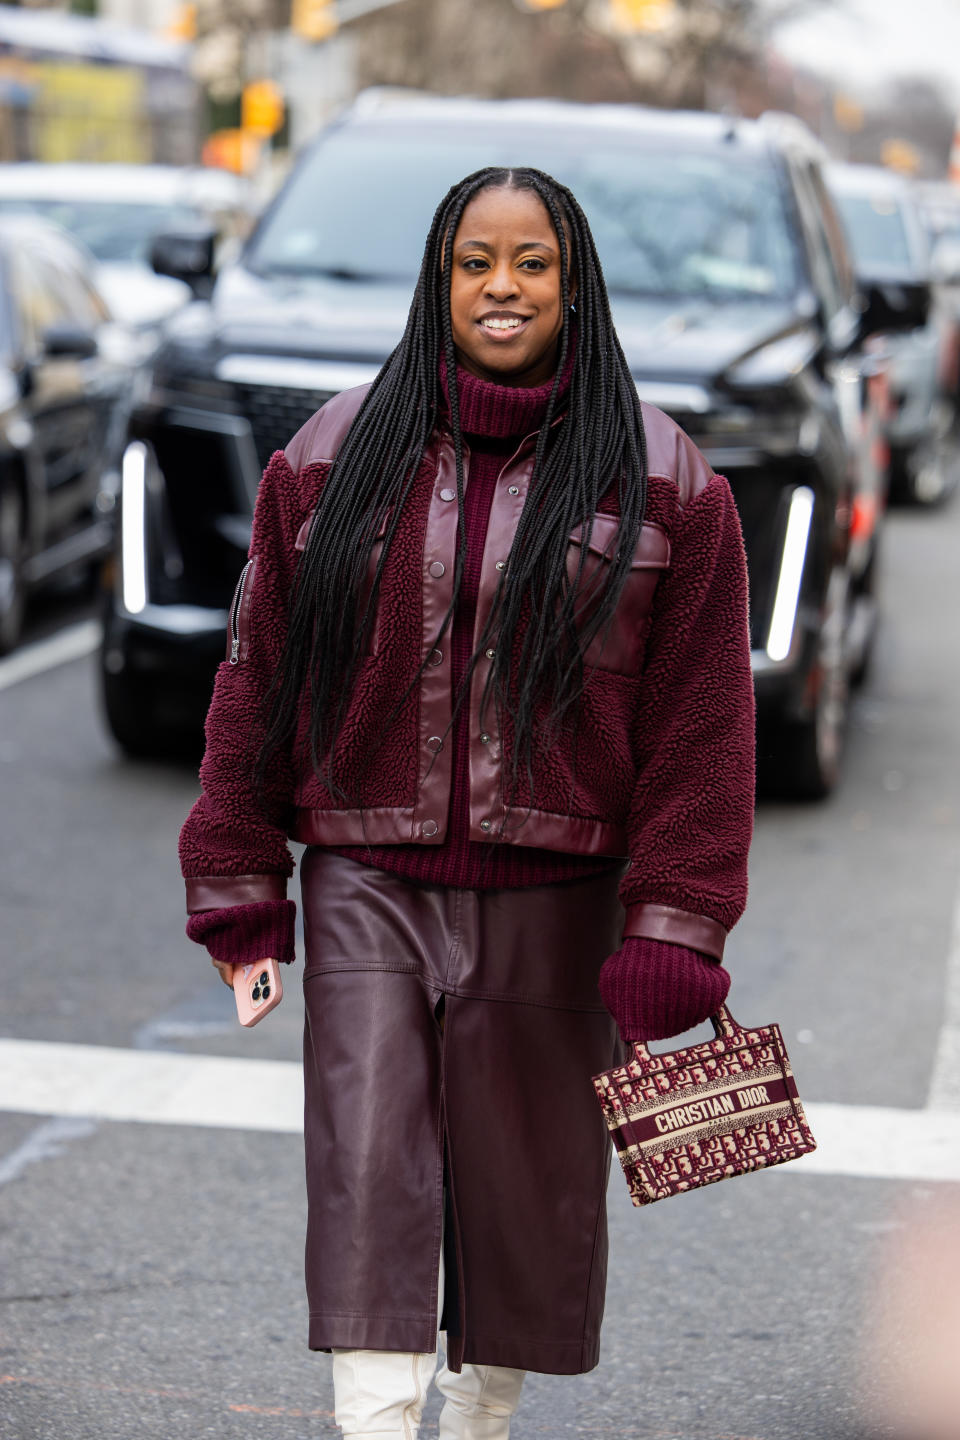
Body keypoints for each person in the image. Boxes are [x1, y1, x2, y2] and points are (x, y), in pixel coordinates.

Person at [179, 166, 755, 1439]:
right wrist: (238, 891)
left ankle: (482, 1411)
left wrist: (676, 923)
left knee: (527, 1190)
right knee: (367, 1161)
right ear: (439, 279)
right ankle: (376, 1419)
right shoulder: (328, 458)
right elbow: (257, 676)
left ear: (574, 283)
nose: (503, 287)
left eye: (532, 263)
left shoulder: (666, 478)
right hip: (363, 879)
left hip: (560, 895)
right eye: (475, 261)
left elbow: (703, 725)